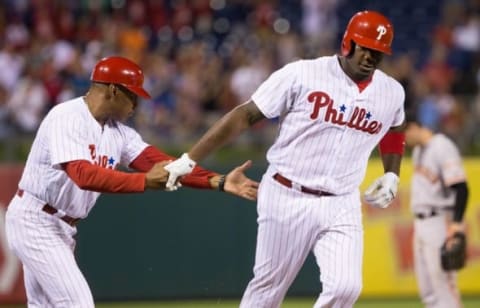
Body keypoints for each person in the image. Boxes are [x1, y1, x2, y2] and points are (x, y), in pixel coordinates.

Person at [165, 10, 406, 308]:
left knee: (346, 288)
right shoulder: (302, 74)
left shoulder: (391, 92)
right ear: (348, 43)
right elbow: (244, 115)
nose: (370, 56)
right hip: (287, 192)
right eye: (365, 47)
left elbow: (395, 127)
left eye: (378, 52)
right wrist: (190, 159)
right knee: (268, 290)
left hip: (342, 200)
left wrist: (392, 173)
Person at [4, 56, 259, 307]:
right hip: (35, 219)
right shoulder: (67, 116)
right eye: (133, 95)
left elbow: (163, 164)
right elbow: (82, 174)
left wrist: (218, 180)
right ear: (113, 90)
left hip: (61, 226)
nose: (136, 104)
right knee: (77, 303)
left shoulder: (120, 134)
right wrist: (143, 182)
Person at [405, 116, 469, 308]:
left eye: (404, 133)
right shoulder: (418, 151)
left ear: (414, 126)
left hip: (440, 220)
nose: (403, 139)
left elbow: (461, 187)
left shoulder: (441, 146)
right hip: (421, 222)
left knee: (444, 288)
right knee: (428, 291)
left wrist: (456, 225)